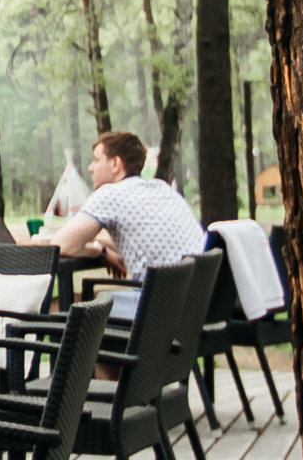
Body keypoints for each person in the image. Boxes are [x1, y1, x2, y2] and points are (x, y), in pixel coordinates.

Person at [45, 129, 207, 321]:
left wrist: (99, 252)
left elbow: (59, 246)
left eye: (96, 160)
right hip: (197, 308)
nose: (90, 167)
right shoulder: (162, 189)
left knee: (88, 311)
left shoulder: (110, 195)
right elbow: (143, 239)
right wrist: (99, 242)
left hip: (158, 316)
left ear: (115, 164)